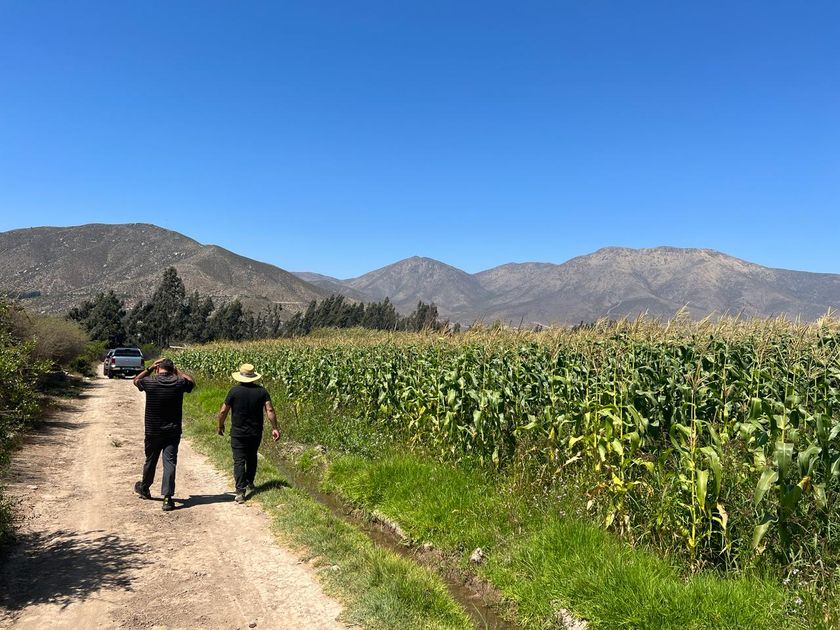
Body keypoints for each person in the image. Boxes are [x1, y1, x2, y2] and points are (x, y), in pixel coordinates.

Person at [133, 357, 196, 511]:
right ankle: (167, 498)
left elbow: (136, 380)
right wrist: (178, 372)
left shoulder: (150, 382)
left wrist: (149, 368)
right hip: (172, 431)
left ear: (157, 369)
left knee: (150, 460)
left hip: (153, 430)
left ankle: (145, 488)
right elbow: (191, 382)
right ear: (172, 369)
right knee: (169, 462)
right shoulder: (179, 382)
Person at [216, 363, 280, 503]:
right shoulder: (262, 392)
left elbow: (223, 411)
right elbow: (269, 410)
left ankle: (240, 492)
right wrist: (275, 428)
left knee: (239, 460)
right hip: (255, 432)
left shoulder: (234, 391)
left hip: (238, 432)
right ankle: (250, 482)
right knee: (252, 456)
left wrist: (220, 425)